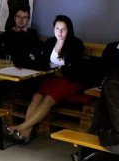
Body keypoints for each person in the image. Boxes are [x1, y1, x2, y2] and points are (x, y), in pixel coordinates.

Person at [7, 15, 84, 143]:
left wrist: (62, 71)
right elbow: (41, 60)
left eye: (63, 29)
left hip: (69, 80)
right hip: (52, 78)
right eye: (57, 28)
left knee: (48, 99)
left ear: (69, 30)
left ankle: (21, 128)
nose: (60, 32)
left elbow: (76, 66)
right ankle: (26, 133)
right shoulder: (50, 42)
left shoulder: (76, 43)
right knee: (36, 97)